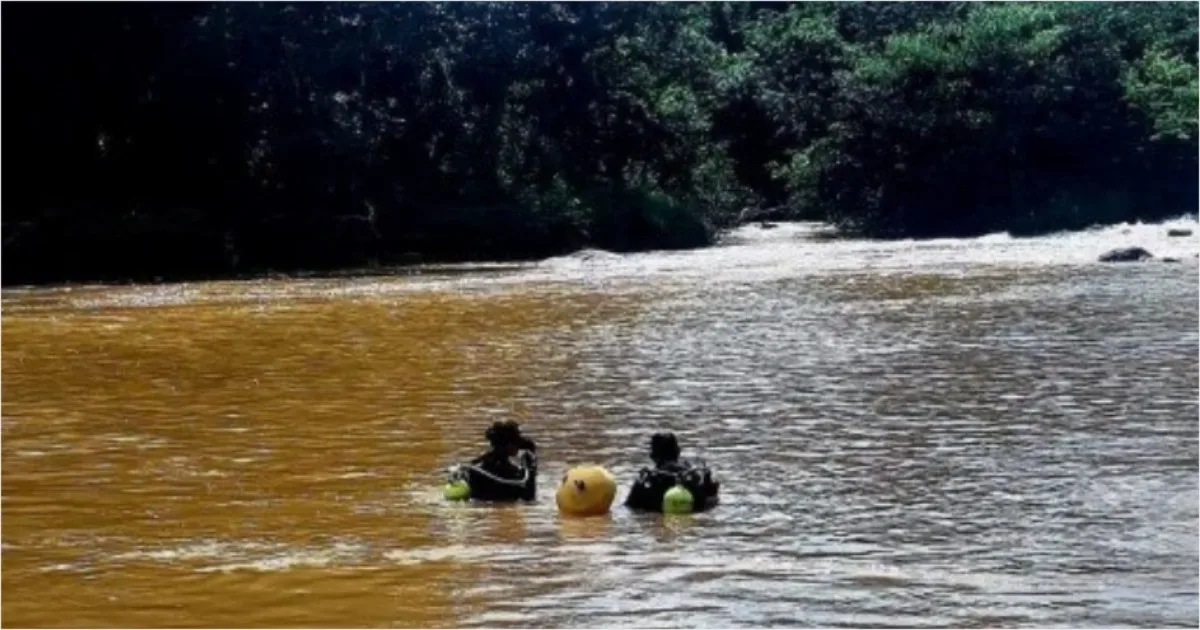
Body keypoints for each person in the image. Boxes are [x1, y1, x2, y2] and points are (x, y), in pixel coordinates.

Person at [624, 432, 719, 513]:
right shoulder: (694, 478)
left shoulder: (645, 482)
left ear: (652, 456)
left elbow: (629, 509)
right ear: (678, 452)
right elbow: (710, 505)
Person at [449, 420, 538, 502]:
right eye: (516, 441)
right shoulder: (511, 473)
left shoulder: (478, 465)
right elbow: (529, 498)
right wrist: (531, 469)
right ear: (508, 444)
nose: (518, 446)